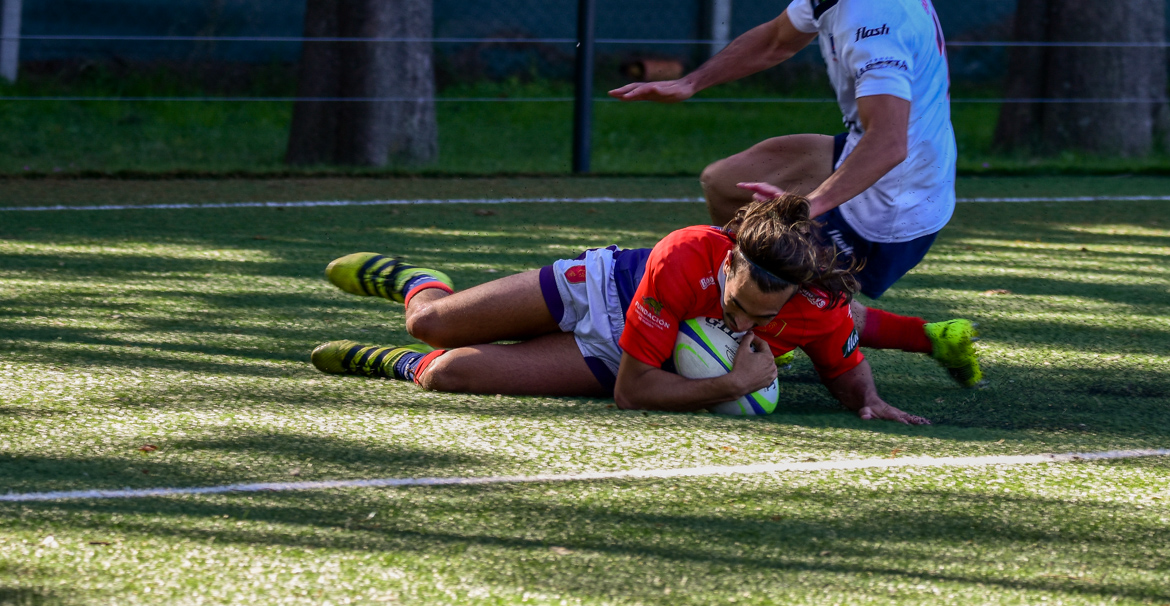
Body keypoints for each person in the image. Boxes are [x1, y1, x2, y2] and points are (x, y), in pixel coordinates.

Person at [610, 0, 981, 388]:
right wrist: (692, 82)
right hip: (870, 150)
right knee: (724, 184)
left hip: (896, 202)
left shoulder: (874, 21)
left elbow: (889, 143)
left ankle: (926, 336)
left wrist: (805, 207)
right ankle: (760, 323)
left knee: (788, 286)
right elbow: (777, 40)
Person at [308, 194, 929, 424]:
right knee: (429, 324)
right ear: (730, 261)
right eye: (736, 306)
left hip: (619, 353)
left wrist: (867, 400)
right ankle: (418, 281)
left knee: (446, 373)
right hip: (602, 291)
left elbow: (845, 369)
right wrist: (731, 383)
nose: (741, 325)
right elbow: (635, 395)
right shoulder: (686, 254)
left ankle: (386, 363)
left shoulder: (821, 305)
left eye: (761, 320)